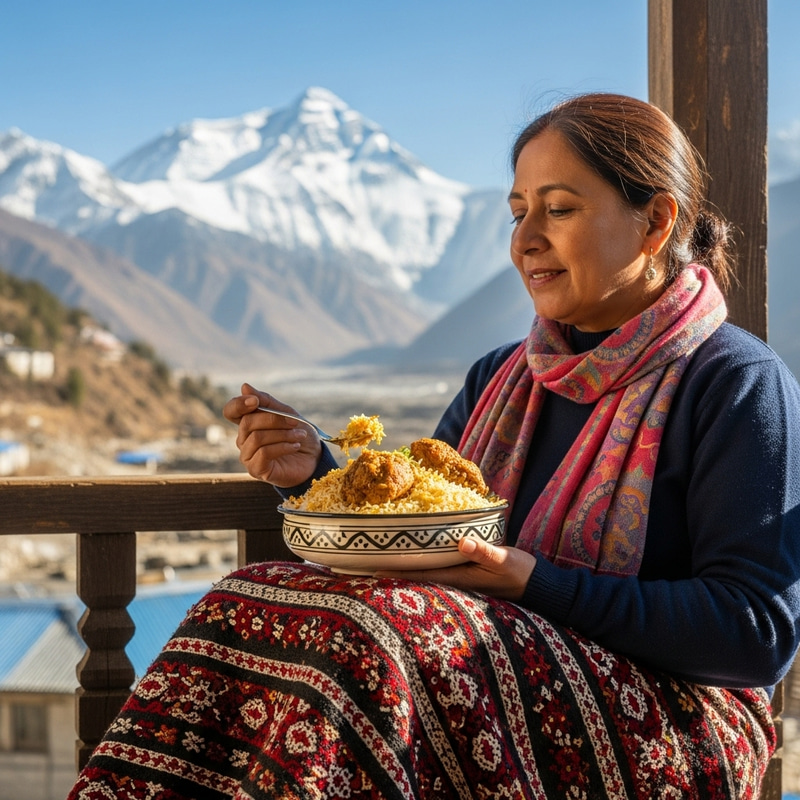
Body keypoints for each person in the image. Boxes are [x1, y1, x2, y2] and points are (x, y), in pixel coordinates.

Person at [67, 93, 800, 799]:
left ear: (655, 222)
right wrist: (316, 474)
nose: (526, 239)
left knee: (372, 635)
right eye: (518, 212)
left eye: (559, 209)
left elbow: (757, 632)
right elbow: (424, 528)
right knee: (246, 598)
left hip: (673, 721)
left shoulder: (734, 382)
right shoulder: (500, 380)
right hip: (484, 678)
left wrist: (537, 584)